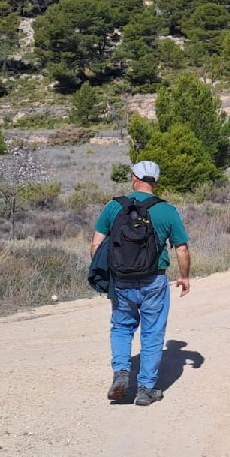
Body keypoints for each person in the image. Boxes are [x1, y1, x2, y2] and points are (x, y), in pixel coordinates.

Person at [91, 161, 190, 407]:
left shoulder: (114, 206)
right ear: (155, 182)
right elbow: (181, 248)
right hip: (154, 279)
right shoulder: (167, 210)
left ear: (134, 178)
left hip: (121, 280)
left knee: (121, 327)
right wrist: (184, 276)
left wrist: (106, 274)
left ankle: (121, 372)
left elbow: (96, 244)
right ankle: (146, 389)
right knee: (152, 332)